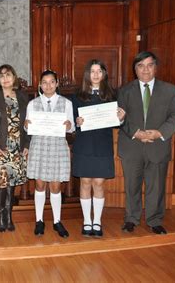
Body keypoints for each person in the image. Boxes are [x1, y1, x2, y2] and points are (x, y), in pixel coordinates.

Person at [118, 51, 175, 235]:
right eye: (140, 65)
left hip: (157, 146)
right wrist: (137, 133)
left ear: (156, 67)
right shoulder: (124, 91)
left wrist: (159, 133)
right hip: (132, 146)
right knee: (132, 186)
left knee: (156, 186)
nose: (145, 69)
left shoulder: (170, 90)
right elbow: (120, 117)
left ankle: (154, 220)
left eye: (149, 65)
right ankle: (131, 218)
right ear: (135, 69)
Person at [71, 60, 126, 237]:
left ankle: (97, 221)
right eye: (92, 71)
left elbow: (118, 125)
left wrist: (121, 118)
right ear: (87, 74)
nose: (95, 75)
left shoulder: (112, 95)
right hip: (84, 144)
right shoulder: (77, 96)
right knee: (86, 182)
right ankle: (87, 221)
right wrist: (77, 122)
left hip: (102, 144)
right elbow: (71, 124)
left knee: (99, 183)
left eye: (99, 71)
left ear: (104, 74)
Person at [25, 70, 74, 238]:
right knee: (39, 185)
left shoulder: (66, 103)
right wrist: (26, 124)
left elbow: (72, 126)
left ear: (57, 83)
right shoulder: (32, 104)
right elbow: (27, 127)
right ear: (40, 85)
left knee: (55, 186)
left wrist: (68, 125)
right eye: (44, 82)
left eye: (51, 82)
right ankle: (39, 220)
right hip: (39, 146)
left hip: (57, 147)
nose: (48, 85)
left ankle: (57, 221)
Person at [0, 64, 29, 232]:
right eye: (2, 75)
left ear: (14, 77)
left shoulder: (24, 97)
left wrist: (26, 144)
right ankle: (0, 216)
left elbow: (29, 123)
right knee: (1, 182)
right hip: (0, 146)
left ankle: (9, 217)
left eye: (8, 75)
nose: (5, 78)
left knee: (12, 183)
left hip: (17, 147)